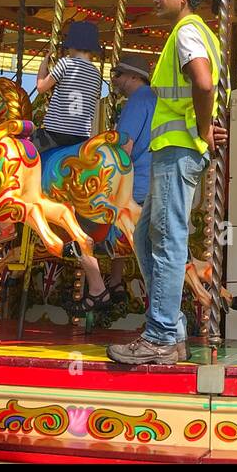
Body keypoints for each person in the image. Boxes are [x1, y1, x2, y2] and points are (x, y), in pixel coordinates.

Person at [108, 0, 227, 366]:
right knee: (145, 237)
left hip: (178, 150)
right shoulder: (192, 33)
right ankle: (171, 330)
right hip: (171, 149)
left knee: (168, 237)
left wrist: (204, 126)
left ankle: (159, 335)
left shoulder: (187, 32)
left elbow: (204, 82)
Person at [105, 53, 157, 297]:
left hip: (136, 181)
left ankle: (103, 284)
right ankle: (115, 280)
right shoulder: (154, 99)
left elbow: (124, 148)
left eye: (119, 75)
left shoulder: (136, 101)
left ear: (134, 76)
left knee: (102, 219)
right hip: (152, 180)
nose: (115, 80)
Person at [36, 20, 103, 150]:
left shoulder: (65, 64)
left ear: (71, 46)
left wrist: (44, 63)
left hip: (56, 133)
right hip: (81, 136)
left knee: (24, 150)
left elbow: (41, 87)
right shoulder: (96, 74)